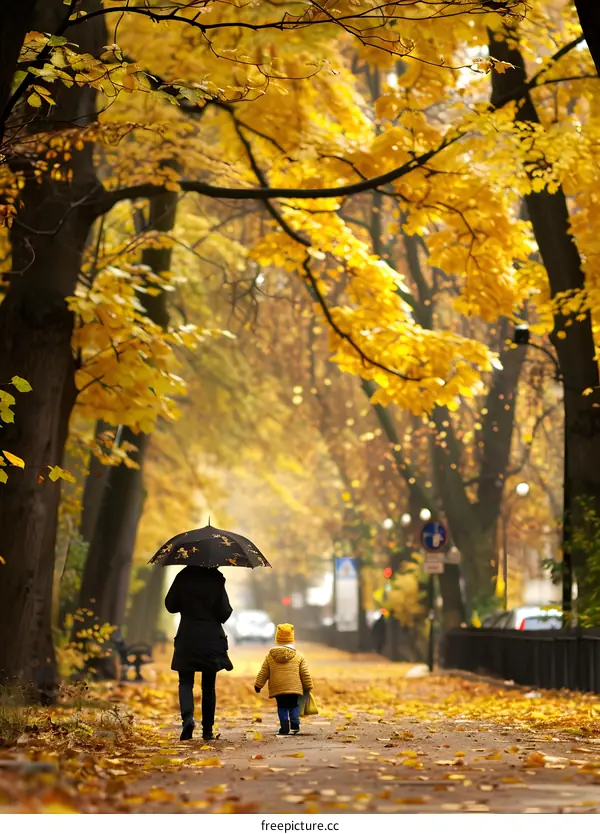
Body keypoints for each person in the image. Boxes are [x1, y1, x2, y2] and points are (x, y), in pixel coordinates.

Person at [165, 565, 233, 741]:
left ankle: (188, 719)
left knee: (185, 682)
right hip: (210, 639)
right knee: (208, 686)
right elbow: (224, 613)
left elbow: (171, 605)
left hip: (187, 638)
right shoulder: (216, 578)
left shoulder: (184, 575)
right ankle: (207, 730)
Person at [254, 623, 313, 736]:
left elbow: (264, 672)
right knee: (293, 706)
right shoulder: (299, 656)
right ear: (292, 639)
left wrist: (258, 685)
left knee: (282, 706)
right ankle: (295, 725)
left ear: (277, 638)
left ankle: (284, 727)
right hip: (294, 688)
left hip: (278, 688)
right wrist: (308, 686)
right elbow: (305, 673)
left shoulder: (270, 656)